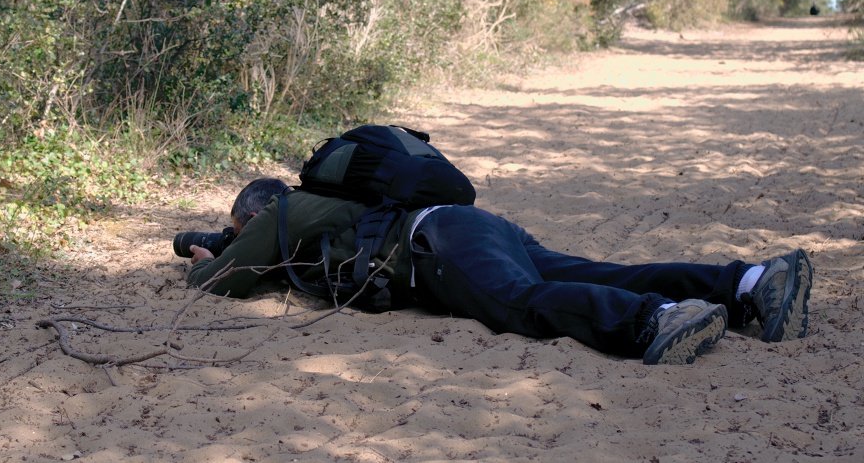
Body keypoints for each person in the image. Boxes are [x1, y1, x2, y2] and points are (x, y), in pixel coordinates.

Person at [185, 178, 813, 365]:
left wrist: (210, 257)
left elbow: (224, 280)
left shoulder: (280, 211)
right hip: (468, 223)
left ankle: (656, 320)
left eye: (239, 228)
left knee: (522, 302)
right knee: (603, 269)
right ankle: (752, 283)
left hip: (436, 247)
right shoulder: (333, 202)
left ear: (254, 212)